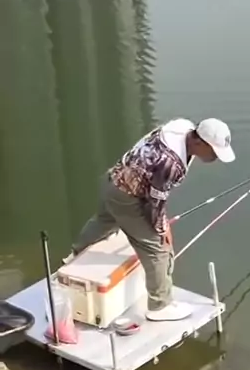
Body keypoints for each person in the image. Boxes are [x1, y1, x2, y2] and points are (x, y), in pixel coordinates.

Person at [66, 118, 235, 322]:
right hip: (127, 196)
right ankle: (160, 306)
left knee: (105, 220)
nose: (215, 157)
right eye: (214, 152)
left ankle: (74, 255)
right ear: (199, 142)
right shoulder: (171, 163)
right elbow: (155, 203)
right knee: (158, 250)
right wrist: (162, 229)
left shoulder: (180, 126)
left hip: (114, 179)